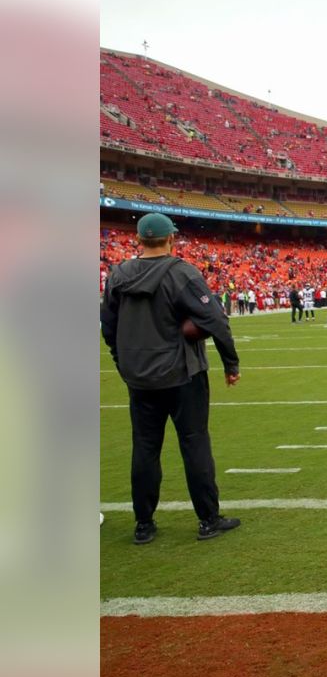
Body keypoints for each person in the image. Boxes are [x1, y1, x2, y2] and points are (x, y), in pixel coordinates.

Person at [99, 213, 242, 544]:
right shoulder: (181, 272)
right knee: (194, 443)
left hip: (140, 377)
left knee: (145, 447)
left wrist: (122, 361)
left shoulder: (118, 274)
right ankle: (208, 519)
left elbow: (108, 326)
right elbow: (216, 320)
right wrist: (230, 363)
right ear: (170, 239)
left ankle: (144, 525)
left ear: (138, 240)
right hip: (182, 373)